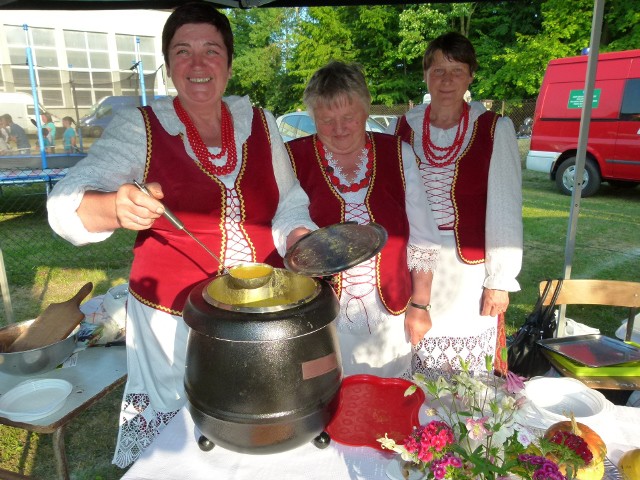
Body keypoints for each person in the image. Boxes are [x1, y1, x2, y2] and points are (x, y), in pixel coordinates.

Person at [47, 2, 314, 468]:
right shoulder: (142, 128)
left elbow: (289, 199)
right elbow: (63, 202)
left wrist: (295, 238)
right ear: (169, 66)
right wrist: (113, 207)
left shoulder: (261, 123)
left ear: (229, 64)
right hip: (173, 321)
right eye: (182, 51)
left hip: (258, 316)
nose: (197, 64)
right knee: (182, 442)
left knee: (257, 423)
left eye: (211, 51)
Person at [286, 61, 441, 378]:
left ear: (366, 110)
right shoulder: (291, 158)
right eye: (326, 120)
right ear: (313, 116)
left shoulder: (399, 154)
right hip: (321, 320)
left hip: (390, 315)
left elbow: (423, 237)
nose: (339, 128)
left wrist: (421, 305)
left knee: (386, 402)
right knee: (327, 398)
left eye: (349, 117)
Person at [391, 32, 523, 378]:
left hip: (468, 272)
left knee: (463, 374)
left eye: (457, 70)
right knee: (416, 357)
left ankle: (462, 430)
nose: (446, 80)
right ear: (425, 75)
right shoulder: (403, 126)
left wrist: (500, 279)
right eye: (437, 70)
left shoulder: (495, 128)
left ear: (470, 76)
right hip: (414, 263)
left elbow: (505, 207)